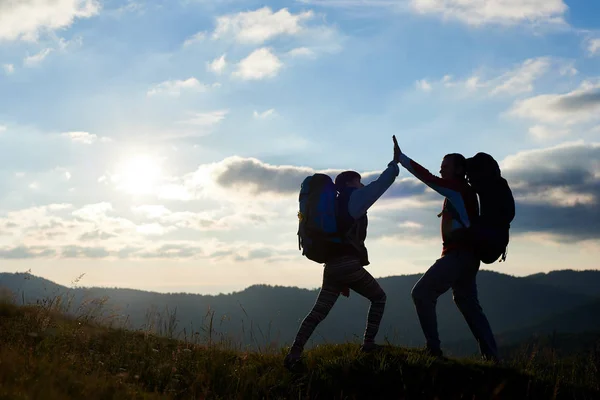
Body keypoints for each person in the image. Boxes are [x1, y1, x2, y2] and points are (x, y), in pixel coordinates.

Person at [284, 137, 401, 371]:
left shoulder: (334, 204)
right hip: (346, 264)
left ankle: (294, 353)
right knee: (379, 298)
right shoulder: (353, 198)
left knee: (318, 311)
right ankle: (368, 344)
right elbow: (381, 185)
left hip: (333, 265)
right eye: (359, 181)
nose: (362, 185)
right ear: (350, 181)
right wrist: (395, 164)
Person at [393, 135, 498, 362]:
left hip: (459, 255)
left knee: (422, 294)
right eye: (441, 167)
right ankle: (492, 357)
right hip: (469, 256)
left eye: (445, 167)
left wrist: (402, 159)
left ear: (459, 170)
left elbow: (428, 179)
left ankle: (433, 350)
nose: (441, 171)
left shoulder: (457, 189)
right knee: (467, 303)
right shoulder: (465, 191)